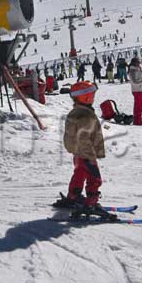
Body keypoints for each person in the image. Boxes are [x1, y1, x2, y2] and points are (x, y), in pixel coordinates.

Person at [51, 81, 107, 215]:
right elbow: (83, 138)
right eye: (92, 95)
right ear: (86, 97)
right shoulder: (84, 115)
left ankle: (73, 196)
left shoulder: (77, 111)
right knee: (95, 178)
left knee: (80, 173)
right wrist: (91, 156)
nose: (93, 97)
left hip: (78, 152)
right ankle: (91, 204)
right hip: (86, 152)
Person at [128, 58, 142, 125]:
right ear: (134, 63)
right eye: (138, 62)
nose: (139, 63)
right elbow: (134, 81)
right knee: (138, 107)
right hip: (137, 90)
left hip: (139, 89)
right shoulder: (133, 70)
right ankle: (137, 121)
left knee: (139, 106)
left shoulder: (137, 69)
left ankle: (138, 121)